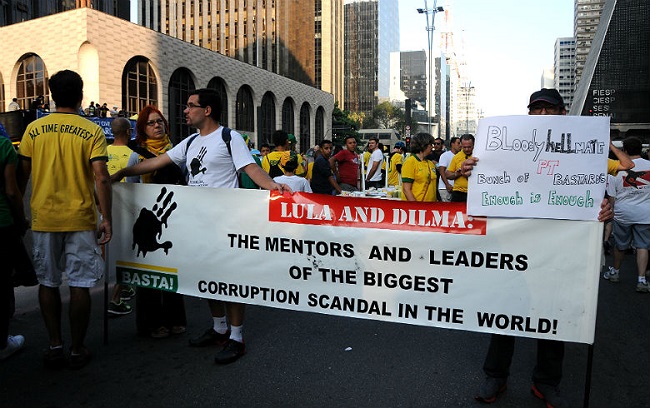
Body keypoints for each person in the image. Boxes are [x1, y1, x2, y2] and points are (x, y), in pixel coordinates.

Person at [471, 87, 628, 408]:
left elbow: (608, 183)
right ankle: (496, 376)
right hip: (515, 247)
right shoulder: (506, 146)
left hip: (560, 249)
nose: (542, 115)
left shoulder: (584, 149)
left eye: (549, 109)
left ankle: (546, 382)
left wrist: (603, 208)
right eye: (536, 109)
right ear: (529, 114)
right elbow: (486, 186)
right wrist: (469, 170)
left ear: (562, 112)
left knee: (553, 316)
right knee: (505, 313)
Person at [112, 88, 291, 364]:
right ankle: (219, 329)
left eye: (191, 106)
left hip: (226, 224)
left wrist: (272, 185)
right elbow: (157, 162)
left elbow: (249, 169)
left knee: (229, 282)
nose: (185, 110)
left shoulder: (229, 137)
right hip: (198, 224)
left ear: (207, 110)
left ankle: (236, 337)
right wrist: (123, 172)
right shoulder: (191, 141)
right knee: (207, 279)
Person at [18, 70, 112, 370]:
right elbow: (101, 177)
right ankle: (76, 348)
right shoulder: (92, 130)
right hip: (81, 217)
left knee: (47, 281)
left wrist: (21, 212)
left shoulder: (33, 130)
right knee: (80, 284)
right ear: (81, 95)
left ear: (51, 94)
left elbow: (22, 177)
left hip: (44, 218)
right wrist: (106, 217)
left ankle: (55, 344)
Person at [126, 105, 187, 338]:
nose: (157, 126)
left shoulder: (177, 150)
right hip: (146, 221)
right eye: (151, 123)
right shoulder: (136, 153)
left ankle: (175, 319)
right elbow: (130, 189)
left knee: (171, 270)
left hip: (172, 219)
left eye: (160, 121)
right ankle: (152, 323)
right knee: (150, 273)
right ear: (143, 128)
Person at [603, 136, 650, 292]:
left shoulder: (618, 169)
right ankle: (641, 279)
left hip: (623, 214)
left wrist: (612, 214)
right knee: (643, 245)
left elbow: (612, 197)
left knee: (620, 245)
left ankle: (615, 273)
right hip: (645, 214)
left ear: (625, 150)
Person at [0, 131, 27, 360]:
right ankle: (2, 344)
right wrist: (21, 220)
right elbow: (11, 191)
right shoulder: (4, 146)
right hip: (2, 226)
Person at [106, 118, 135, 316]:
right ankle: (115, 299)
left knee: (113, 254)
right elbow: (135, 183)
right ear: (128, 131)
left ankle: (123, 287)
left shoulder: (104, 152)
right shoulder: (133, 155)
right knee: (127, 256)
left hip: (105, 208)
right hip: (125, 210)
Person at [401, 133, 437, 202]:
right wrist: (416, 207)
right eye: (431, 145)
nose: (432, 147)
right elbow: (406, 189)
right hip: (417, 208)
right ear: (424, 145)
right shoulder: (410, 162)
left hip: (430, 208)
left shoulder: (430, 164)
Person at [445, 133, 475, 202]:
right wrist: (456, 174)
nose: (467, 149)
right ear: (461, 145)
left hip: (474, 193)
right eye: (464, 147)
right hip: (459, 193)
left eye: (469, 147)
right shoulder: (456, 157)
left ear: (474, 145)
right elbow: (447, 174)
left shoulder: (478, 156)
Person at [437, 136, 461, 202]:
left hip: (455, 188)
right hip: (445, 188)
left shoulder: (460, 156)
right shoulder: (445, 155)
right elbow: (442, 171)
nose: (460, 145)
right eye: (458, 143)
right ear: (452, 144)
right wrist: (447, 184)